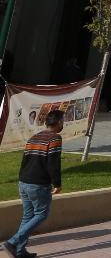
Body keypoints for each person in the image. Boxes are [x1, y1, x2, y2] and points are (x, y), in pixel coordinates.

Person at [6, 108, 63, 256]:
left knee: (28, 216)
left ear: (45, 122)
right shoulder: (55, 138)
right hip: (38, 184)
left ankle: (19, 251)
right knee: (42, 214)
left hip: (24, 181)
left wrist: (22, 179)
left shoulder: (34, 137)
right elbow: (53, 164)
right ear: (59, 122)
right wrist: (57, 183)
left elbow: (25, 161)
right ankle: (12, 242)